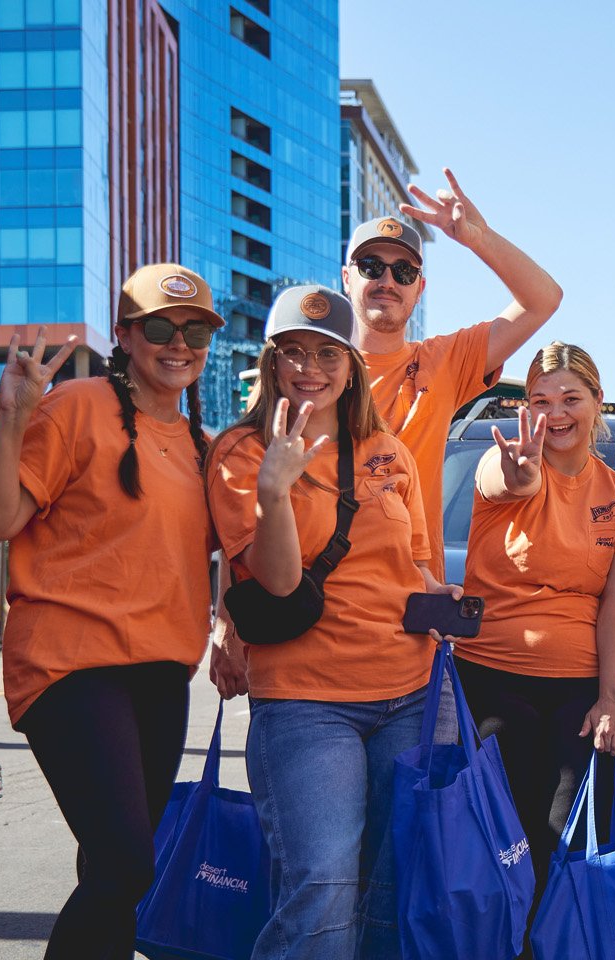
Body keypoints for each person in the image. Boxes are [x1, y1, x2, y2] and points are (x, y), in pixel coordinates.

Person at [0, 264, 219, 959]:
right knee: (124, 861)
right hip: (72, 662)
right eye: (161, 327)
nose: (179, 343)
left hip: (162, 674)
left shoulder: (200, 446)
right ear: (126, 336)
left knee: (116, 873)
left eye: (196, 330)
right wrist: (10, 417)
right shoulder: (77, 406)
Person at [206, 285, 458, 959]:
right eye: (293, 351)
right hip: (308, 702)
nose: (309, 366)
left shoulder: (387, 451)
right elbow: (281, 584)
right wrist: (274, 487)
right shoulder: (241, 451)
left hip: (410, 692)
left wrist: (443, 598)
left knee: (392, 886)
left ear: (351, 366)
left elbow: (417, 567)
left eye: (326, 352)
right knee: (321, 887)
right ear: (271, 361)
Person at [453, 341, 615, 899]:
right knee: (501, 847)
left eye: (570, 398)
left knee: (565, 845)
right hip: (490, 683)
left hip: (578, 692)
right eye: (540, 401)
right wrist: (522, 469)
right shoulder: (504, 458)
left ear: (597, 402)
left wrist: (612, 698)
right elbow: (513, 480)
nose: (555, 414)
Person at [344, 169, 563, 578]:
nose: (388, 281)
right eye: (372, 266)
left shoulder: (444, 360)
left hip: (414, 597)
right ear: (346, 278)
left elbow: (543, 300)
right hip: (326, 598)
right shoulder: (311, 371)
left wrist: (480, 239)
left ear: (419, 288)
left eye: (403, 272)